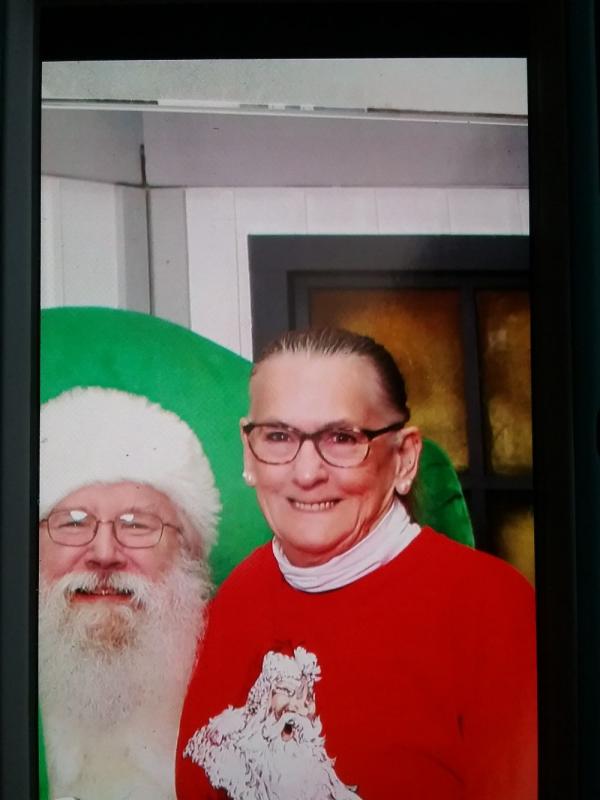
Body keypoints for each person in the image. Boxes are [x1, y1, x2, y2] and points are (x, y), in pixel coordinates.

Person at [175, 327, 537, 800]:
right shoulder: (234, 600)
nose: (307, 473)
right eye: (278, 436)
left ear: (404, 459)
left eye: (342, 438)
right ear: (249, 453)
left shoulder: (492, 608)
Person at [39, 386, 221, 800]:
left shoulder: (239, 689)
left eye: (137, 525)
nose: (104, 554)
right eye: (73, 523)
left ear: (187, 552)